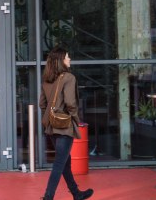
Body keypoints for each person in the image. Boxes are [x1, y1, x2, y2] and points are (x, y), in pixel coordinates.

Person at [40, 47, 93, 200]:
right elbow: (71, 103)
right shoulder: (69, 78)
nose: (69, 60)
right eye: (67, 57)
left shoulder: (47, 79)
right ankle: (48, 197)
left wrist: (50, 117)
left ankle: (76, 193)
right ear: (60, 60)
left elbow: (42, 104)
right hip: (64, 125)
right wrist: (76, 119)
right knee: (59, 162)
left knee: (64, 161)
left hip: (51, 125)